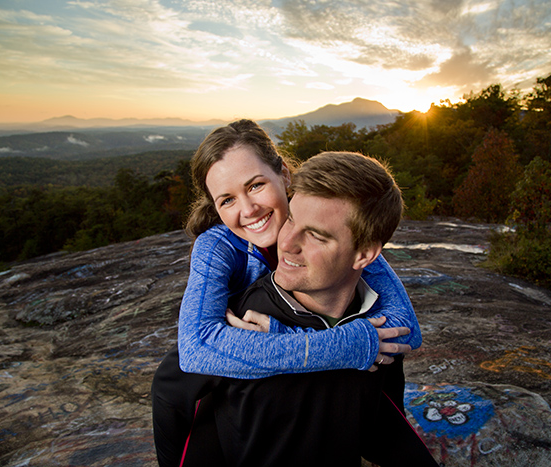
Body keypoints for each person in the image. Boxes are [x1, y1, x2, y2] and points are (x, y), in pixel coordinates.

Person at [152, 120, 423, 464]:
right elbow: (196, 348)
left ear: (284, 174)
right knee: (173, 382)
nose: (248, 209)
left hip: (288, 333)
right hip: (226, 351)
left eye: (256, 185)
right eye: (227, 200)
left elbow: (406, 327)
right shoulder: (217, 246)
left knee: (378, 356)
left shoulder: (323, 216)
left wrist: (342, 340)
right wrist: (340, 344)